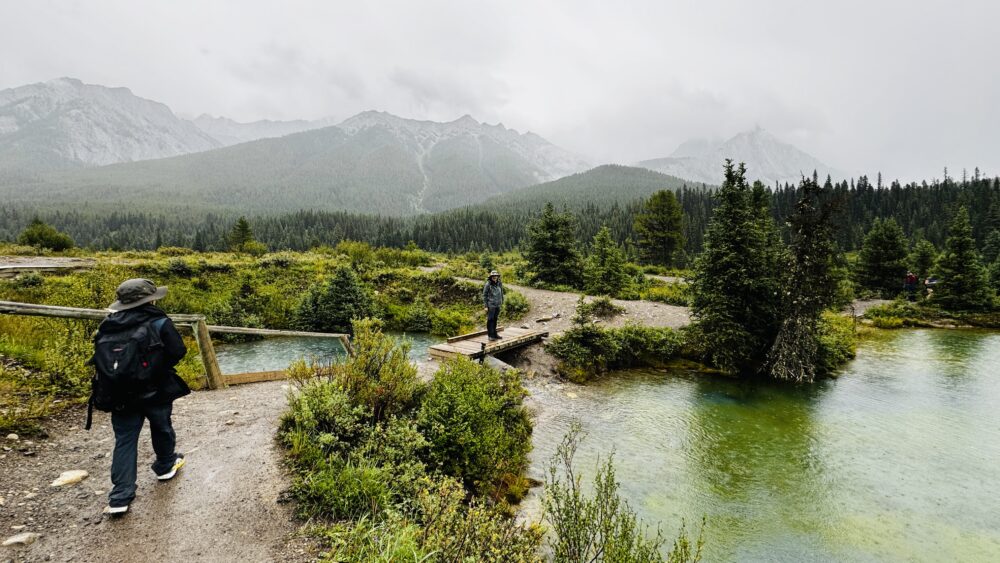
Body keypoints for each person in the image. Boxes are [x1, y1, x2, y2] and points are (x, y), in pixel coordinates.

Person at [93, 279, 189, 516]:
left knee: (125, 439)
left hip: (119, 394)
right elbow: (178, 351)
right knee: (162, 427)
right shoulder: (159, 321)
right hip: (155, 390)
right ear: (149, 299)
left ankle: (120, 496)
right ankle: (166, 465)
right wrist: (157, 367)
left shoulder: (108, 324)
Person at [483, 270, 504, 341]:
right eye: (493, 276)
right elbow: (484, 295)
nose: (495, 277)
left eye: (496, 276)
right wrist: (486, 306)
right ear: (491, 277)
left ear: (497, 277)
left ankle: (495, 334)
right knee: (490, 320)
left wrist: (502, 301)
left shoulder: (499, 283)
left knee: (495, 319)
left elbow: (501, 293)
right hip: (491, 305)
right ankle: (490, 335)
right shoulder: (488, 284)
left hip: (498, 305)